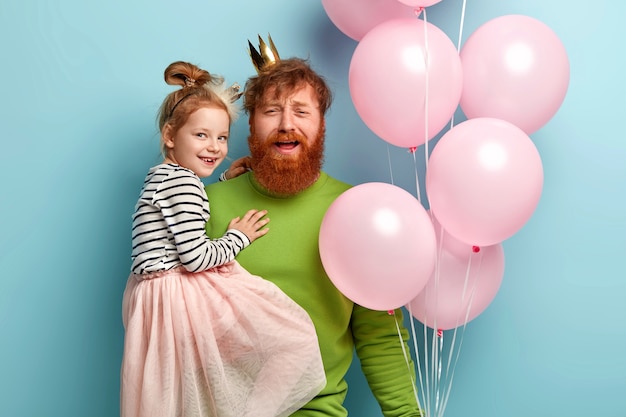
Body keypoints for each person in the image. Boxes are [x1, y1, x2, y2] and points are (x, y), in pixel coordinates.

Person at [204, 41, 422, 416]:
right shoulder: (207, 205)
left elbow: (380, 336)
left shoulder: (357, 213)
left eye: (302, 111)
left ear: (321, 124)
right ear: (252, 126)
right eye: (271, 111)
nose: (287, 124)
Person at [120, 61, 326, 417]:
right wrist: (237, 237)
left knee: (175, 394)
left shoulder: (163, 178)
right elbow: (195, 258)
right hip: (178, 295)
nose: (214, 147)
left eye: (221, 137)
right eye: (201, 135)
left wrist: (225, 185)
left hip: (149, 299)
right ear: (170, 136)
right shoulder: (184, 184)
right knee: (293, 336)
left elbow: (179, 220)